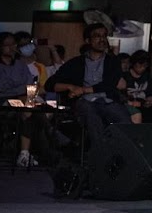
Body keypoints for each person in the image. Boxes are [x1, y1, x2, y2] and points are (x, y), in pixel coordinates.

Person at [49, 23, 132, 154]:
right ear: (88, 40)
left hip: (108, 101)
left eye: (104, 36)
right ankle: (101, 155)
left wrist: (83, 89)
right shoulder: (76, 63)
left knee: (124, 120)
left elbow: (110, 84)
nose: (102, 39)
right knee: (92, 116)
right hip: (85, 102)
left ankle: (123, 156)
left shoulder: (112, 61)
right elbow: (50, 84)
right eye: (97, 36)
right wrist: (71, 87)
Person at [0, 32, 49, 168]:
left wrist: (18, 89)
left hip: (23, 98)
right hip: (0, 101)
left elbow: (29, 84)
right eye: (7, 45)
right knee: (31, 110)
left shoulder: (20, 64)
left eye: (13, 44)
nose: (11, 48)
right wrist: (19, 90)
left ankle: (26, 153)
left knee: (34, 111)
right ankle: (46, 148)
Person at [123, 50, 152, 124]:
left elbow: (150, 93)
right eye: (140, 65)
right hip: (130, 105)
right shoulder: (125, 76)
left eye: (145, 66)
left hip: (144, 105)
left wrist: (150, 100)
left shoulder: (147, 76)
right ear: (133, 63)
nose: (142, 68)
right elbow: (121, 97)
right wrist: (132, 103)